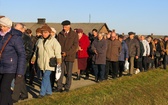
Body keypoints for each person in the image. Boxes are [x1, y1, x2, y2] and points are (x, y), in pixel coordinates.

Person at [0, 17, 26, 105]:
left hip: (11, 67)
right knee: (5, 90)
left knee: (4, 88)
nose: (2, 28)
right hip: (1, 65)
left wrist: (20, 73)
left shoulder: (15, 37)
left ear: (8, 26)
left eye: (3, 26)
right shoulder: (0, 36)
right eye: (0, 26)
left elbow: (22, 54)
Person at [31, 25, 62, 97]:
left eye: (46, 32)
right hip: (41, 62)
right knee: (46, 77)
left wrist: (59, 60)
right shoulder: (39, 40)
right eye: (43, 32)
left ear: (49, 32)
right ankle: (49, 92)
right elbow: (36, 51)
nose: (44, 34)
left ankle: (42, 93)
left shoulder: (54, 41)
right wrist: (33, 59)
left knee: (45, 76)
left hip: (50, 63)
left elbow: (58, 51)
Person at [12, 23, 33, 102]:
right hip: (14, 60)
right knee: (20, 78)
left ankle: (15, 97)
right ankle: (24, 94)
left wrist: (22, 59)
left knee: (18, 78)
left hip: (22, 61)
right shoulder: (14, 37)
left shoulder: (26, 38)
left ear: (22, 29)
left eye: (17, 29)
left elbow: (28, 51)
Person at [56, 20, 78, 92]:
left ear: (69, 26)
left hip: (70, 56)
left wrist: (67, 53)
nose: (64, 28)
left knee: (68, 73)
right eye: (63, 26)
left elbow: (75, 46)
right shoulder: (60, 34)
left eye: (65, 26)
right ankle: (59, 87)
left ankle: (67, 87)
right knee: (60, 72)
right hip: (61, 56)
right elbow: (57, 44)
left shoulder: (74, 34)